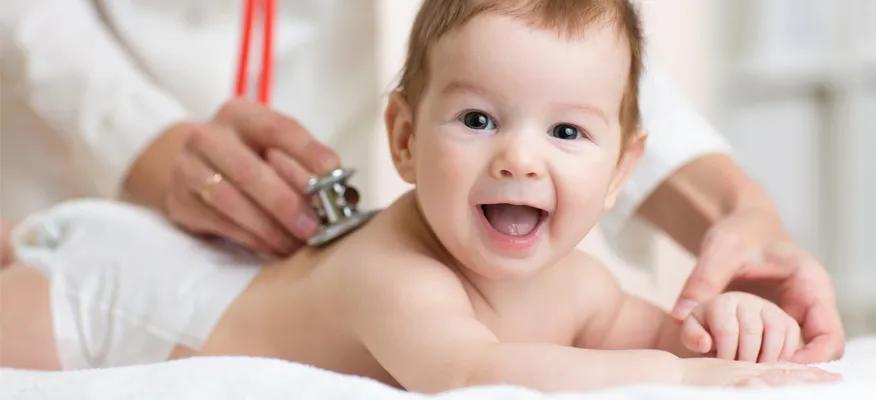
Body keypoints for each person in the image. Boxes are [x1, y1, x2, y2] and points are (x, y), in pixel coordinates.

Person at [0, 0, 841, 391]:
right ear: (402, 139)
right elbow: (472, 372)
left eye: (568, 134)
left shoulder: (582, 286)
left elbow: (659, 337)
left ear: (623, 170)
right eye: (478, 118)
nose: (519, 159)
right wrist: (687, 383)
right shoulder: (400, 275)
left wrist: (733, 332)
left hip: (225, 257)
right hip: (122, 295)